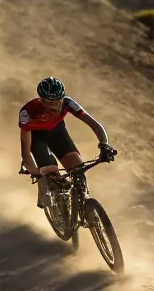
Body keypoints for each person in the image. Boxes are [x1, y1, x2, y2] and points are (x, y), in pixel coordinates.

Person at [19, 77, 116, 207]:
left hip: (57, 131)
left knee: (78, 168)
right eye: (50, 102)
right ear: (42, 101)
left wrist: (104, 145)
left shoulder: (68, 103)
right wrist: (34, 170)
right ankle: (46, 190)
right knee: (51, 169)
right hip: (37, 137)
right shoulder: (27, 113)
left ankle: (83, 203)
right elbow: (25, 149)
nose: (56, 105)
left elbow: (94, 124)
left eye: (59, 100)